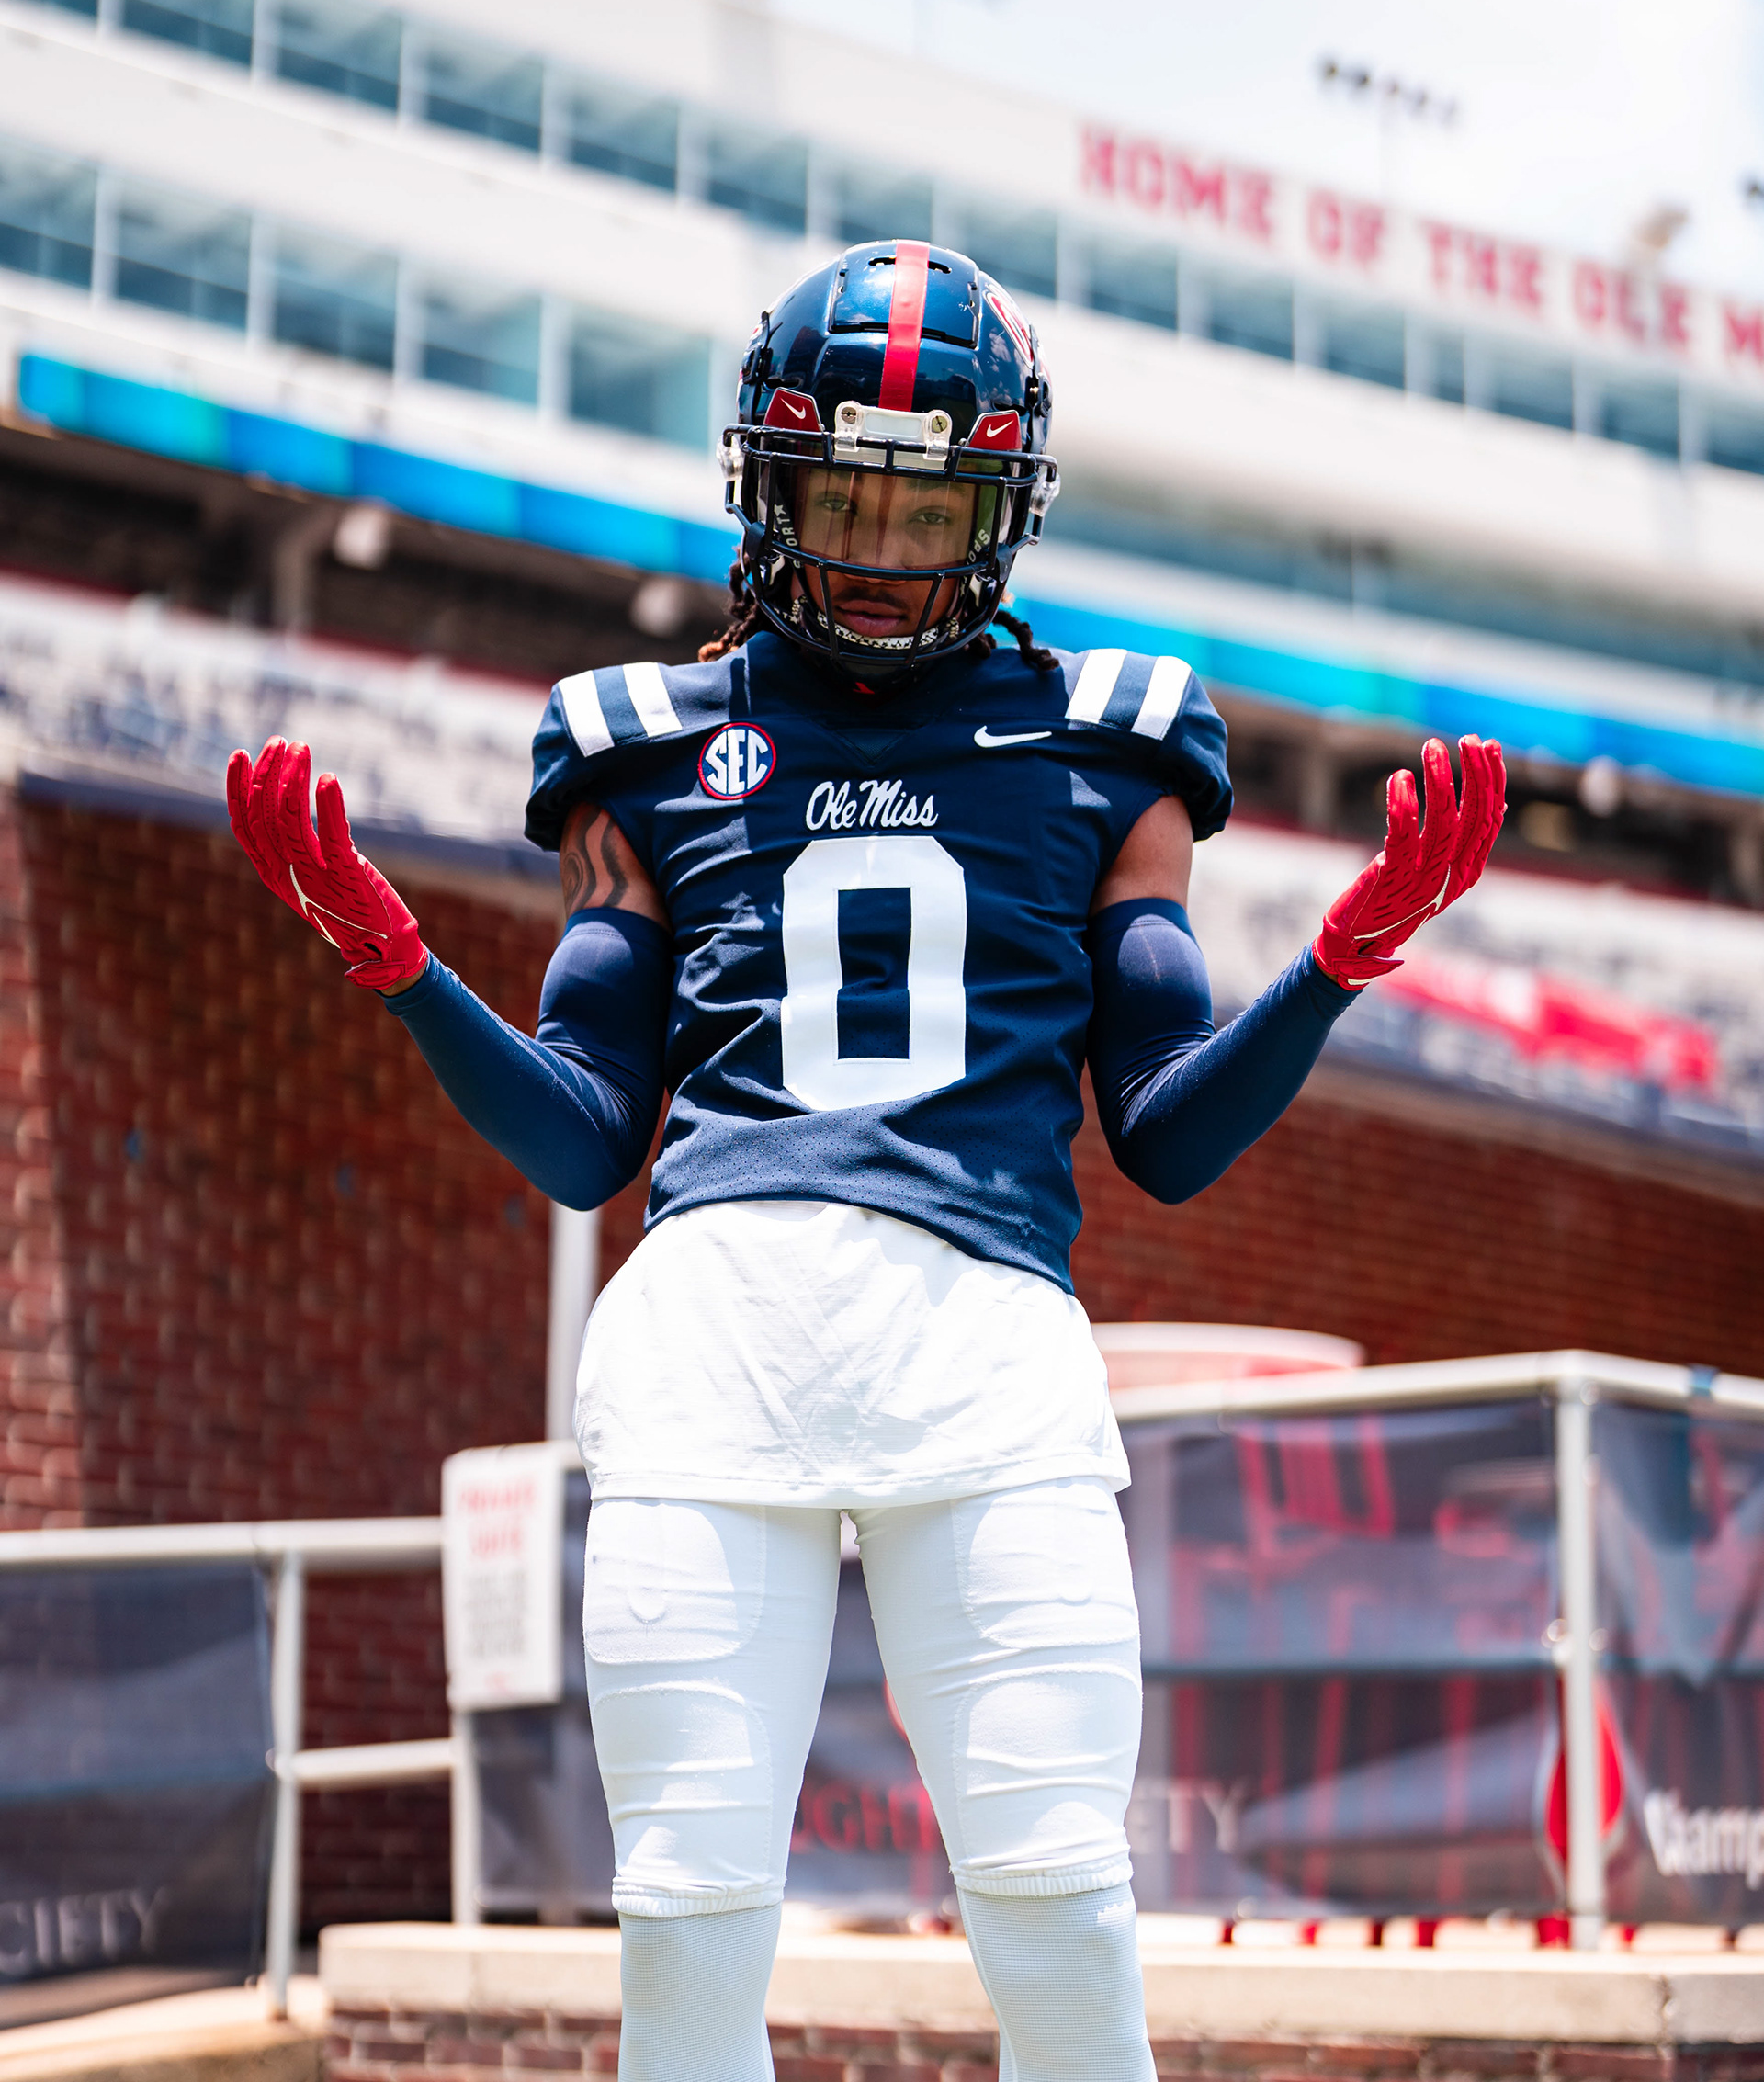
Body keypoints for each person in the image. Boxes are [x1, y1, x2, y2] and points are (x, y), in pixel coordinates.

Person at [227, 239, 1505, 2082]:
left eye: (931, 510)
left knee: (1063, 1925)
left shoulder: (1110, 740)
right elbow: (585, 1138)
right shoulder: (643, 744)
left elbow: (1166, 1135)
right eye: (846, 499)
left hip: (986, 1358)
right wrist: (406, 971)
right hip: (711, 1356)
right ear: (769, 485)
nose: (887, 555)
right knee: (685, 1944)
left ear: (1005, 512)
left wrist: (1338, 964)